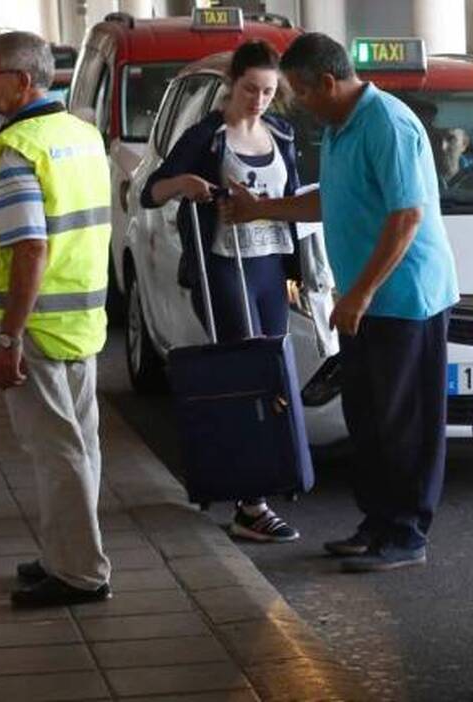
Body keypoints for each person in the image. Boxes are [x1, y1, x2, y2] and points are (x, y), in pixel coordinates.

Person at [222, 32, 459, 572]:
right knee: (368, 418)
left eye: (302, 92)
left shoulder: (388, 126)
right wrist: (264, 210)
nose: (298, 104)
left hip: (405, 300)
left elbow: (407, 217)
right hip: (363, 299)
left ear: (328, 82)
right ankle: (377, 523)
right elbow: (333, 199)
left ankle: (405, 534)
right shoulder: (337, 128)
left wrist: (360, 293)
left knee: (405, 421)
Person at [141, 40, 303, 544]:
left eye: (268, 92)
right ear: (232, 84)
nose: (258, 100)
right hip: (224, 265)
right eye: (251, 89)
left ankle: (268, 480)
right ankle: (249, 503)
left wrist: (297, 270)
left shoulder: (281, 132)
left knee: (275, 371)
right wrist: (186, 183)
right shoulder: (206, 136)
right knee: (245, 370)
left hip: (270, 264)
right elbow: (151, 190)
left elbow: (293, 197)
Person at [0, 30, 111, 607]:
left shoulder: (18, 148)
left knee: (57, 452)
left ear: (22, 80)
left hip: (41, 328)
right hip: (83, 317)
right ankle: (67, 555)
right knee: (80, 446)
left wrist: (9, 335)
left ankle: (80, 573)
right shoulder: (80, 135)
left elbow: (30, 248)